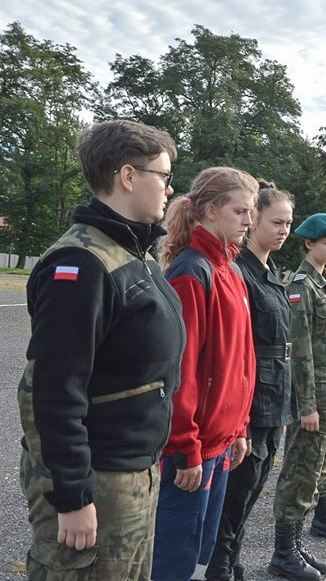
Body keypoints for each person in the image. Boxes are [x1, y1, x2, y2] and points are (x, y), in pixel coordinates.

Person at [18, 120, 184, 580]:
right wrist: (72, 496)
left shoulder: (135, 253)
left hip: (133, 472)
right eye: (164, 176)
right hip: (100, 478)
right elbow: (52, 390)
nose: (171, 188)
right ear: (128, 177)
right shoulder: (82, 263)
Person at [153, 166, 259, 581]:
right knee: (172, 561)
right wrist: (186, 447)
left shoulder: (230, 270)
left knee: (199, 555)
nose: (249, 222)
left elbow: (239, 361)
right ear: (210, 211)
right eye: (241, 211)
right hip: (192, 449)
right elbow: (181, 372)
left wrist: (240, 428)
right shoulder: (192, 271)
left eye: (250, 212)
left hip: (220, 442)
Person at [206, 181, 296, 581]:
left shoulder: (268, 270)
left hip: (274, 393)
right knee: (237, 488)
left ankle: (231, 559)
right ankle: (219, 566)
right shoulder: (239, 272)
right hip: (251, 394)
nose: (284, 230)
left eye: (289, 223)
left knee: (254, 483)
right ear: (253, 217)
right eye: (276, 221)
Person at [270, 213, 326, 581]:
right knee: (299, 475)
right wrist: (307, 406)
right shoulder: (302, 285)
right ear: (309, 244)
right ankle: (283, 553)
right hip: (315, 401)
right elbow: (299, 351)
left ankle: (296, 546)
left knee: (315, 473)